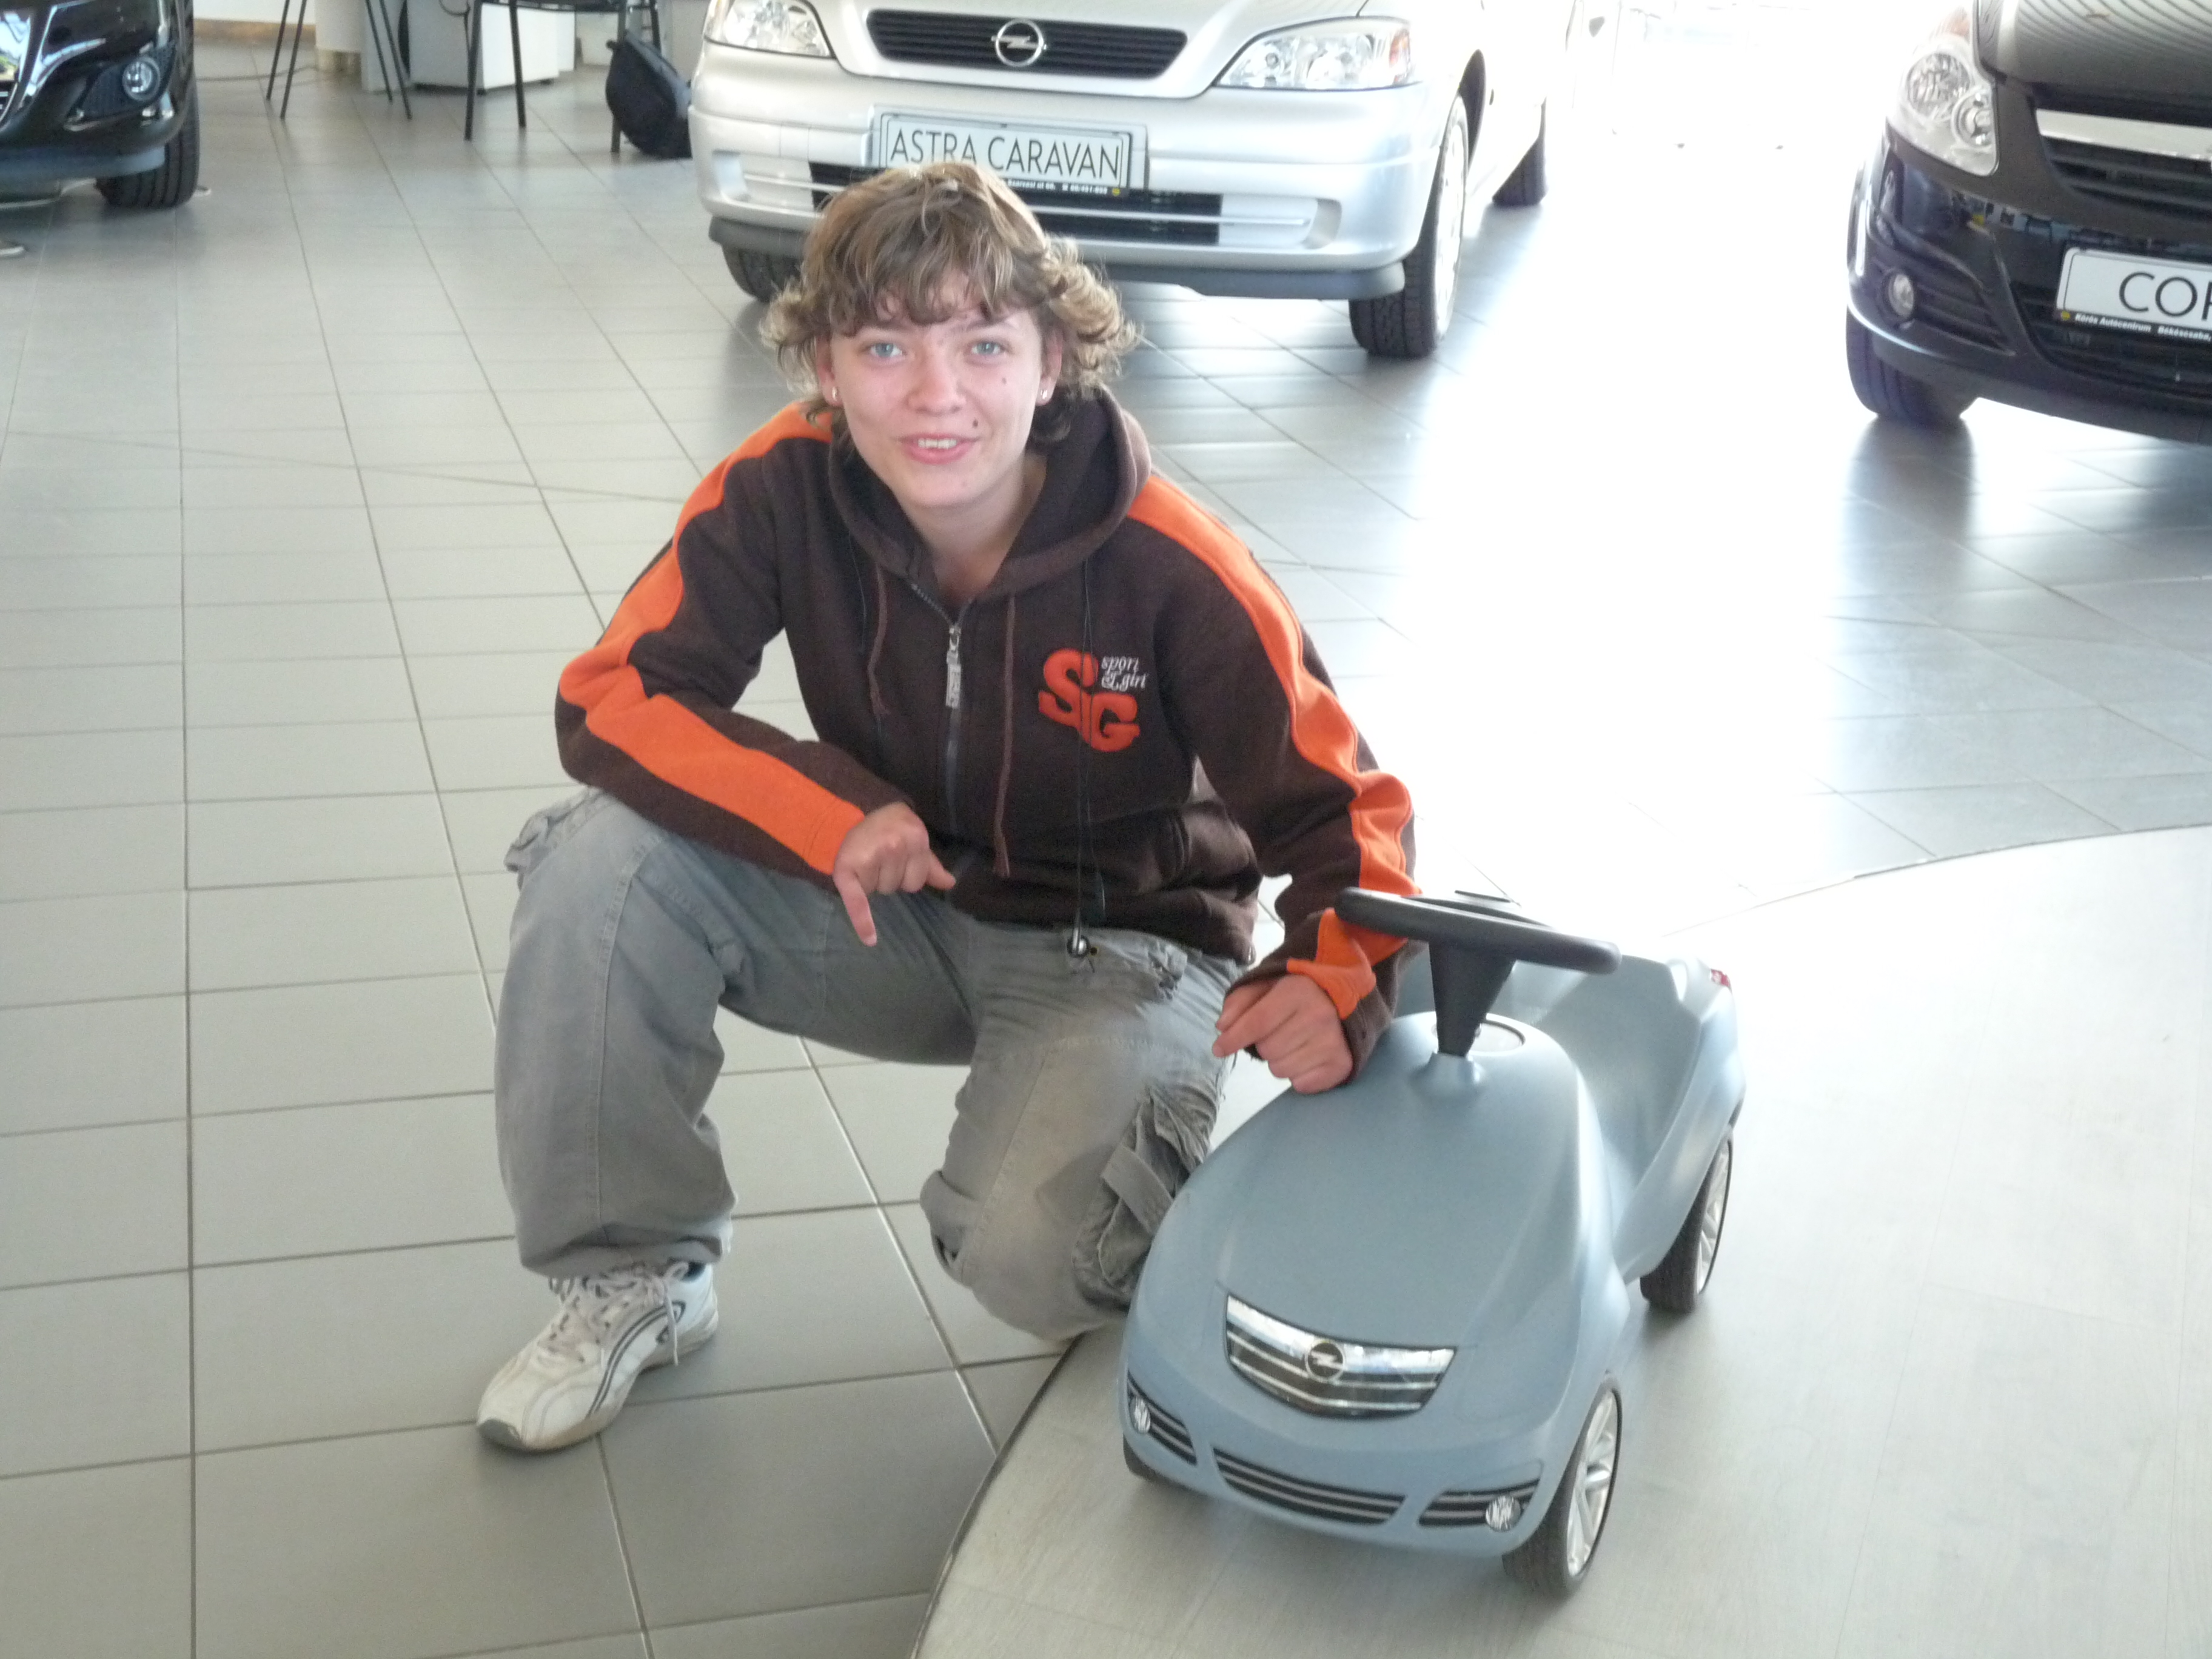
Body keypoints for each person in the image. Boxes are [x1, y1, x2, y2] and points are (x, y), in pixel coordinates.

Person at [477, 161, 1417, 1453]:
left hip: (1119, 944)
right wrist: (828, 810)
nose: (935, 396)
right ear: (823, 364)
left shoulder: (1173, 561)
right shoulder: (781, 488)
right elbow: (615, 695)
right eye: (885, 347)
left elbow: (1350, 810)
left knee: (1033, 1258)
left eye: (983, 344)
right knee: (599, 866)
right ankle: (635, 1275)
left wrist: (1333, 980)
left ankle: (1144, 1164)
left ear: (1053, 360)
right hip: (897, 910)